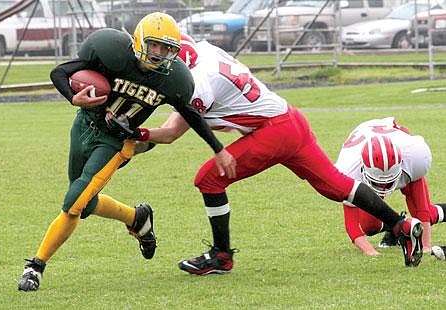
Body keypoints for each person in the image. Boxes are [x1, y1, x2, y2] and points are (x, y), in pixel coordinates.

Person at [144, 34, 424, 275]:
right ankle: (401, 225)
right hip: (290, 119)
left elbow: (170, 133)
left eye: (164, 52)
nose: (160, 58)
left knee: (208, 179)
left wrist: (139, 133)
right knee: (335, 186)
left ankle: (222, 255)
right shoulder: (204, 50)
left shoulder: (199, 81)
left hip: (274, 130)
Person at [17, 13, 235, 292]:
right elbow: (60, 72)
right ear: (139, 41)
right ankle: (136, 218)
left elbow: (190, 114)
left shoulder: (174, 79)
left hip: (117, 142)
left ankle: (36, 266)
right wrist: (73, 97)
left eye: (167, 48)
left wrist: (218, 149)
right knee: (85, 202)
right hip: (83, 126)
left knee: (74, 203)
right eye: (154, 45)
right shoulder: (112, 52)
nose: (159, 53)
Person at [334, 117, 446, 256]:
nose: (384, 186)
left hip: (399, 141)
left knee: (427, 213)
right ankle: (398, 227)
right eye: (379, 182)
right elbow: (352, 225)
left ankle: (399, 227)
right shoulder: (347, 171)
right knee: (370, 226)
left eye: (388, 181)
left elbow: (422, 209)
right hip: (364, 144)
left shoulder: (415, 155)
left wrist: (426, 246)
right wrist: (372, 253)